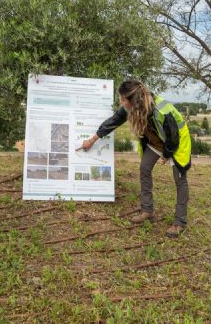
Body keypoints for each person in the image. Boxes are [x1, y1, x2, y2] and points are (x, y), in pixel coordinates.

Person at [82, 80, 191, 238]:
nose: (121, 102)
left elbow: (173, 136)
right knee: (144, 168)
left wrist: (166, 155)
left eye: (123, 99)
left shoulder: (161, 110)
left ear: (133, 100)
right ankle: (147, 211)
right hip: (156, 141)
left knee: (179, 179)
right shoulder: (131, 108)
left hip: (176, 141)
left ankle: (179, 222)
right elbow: (113, 122)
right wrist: (92, 140)